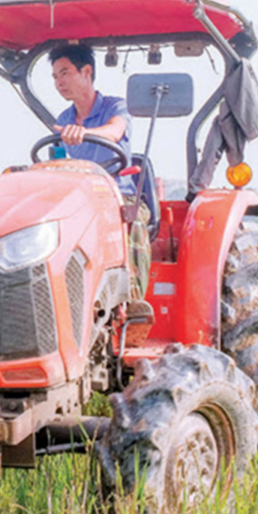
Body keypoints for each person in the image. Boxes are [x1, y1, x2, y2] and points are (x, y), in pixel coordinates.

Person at [48, 44, 152, 322]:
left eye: (65, 73)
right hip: (82, 201)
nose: (59, 82)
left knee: (133, 223)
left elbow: (115, 131)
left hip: (120, 196)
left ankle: (133, 306)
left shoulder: (115, 107)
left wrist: (85, 133)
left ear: (87, 71)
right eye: (55, 76)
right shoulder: (63, 120)